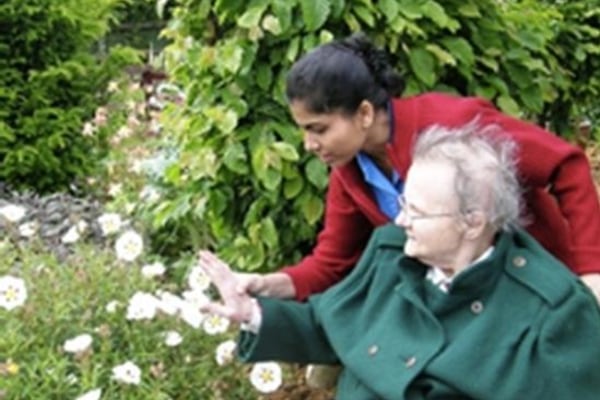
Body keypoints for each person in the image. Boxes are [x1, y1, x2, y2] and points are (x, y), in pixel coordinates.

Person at [199, 124, 600, 399]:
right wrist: (253, 312)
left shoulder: (553, 311)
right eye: (404, 203)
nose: (401, 219)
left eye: (418, 212)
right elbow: (329, 322)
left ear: (472, 222)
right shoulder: (390, 252)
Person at [236, 33, 600, 303]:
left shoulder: (454, 125)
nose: (309, 145)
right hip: (473, 303)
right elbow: (331, 262)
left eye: (319, 129)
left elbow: (565, 165)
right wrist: (269, 284)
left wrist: (591, 269)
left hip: (544, 279)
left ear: (364, 113)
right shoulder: (352, 173)